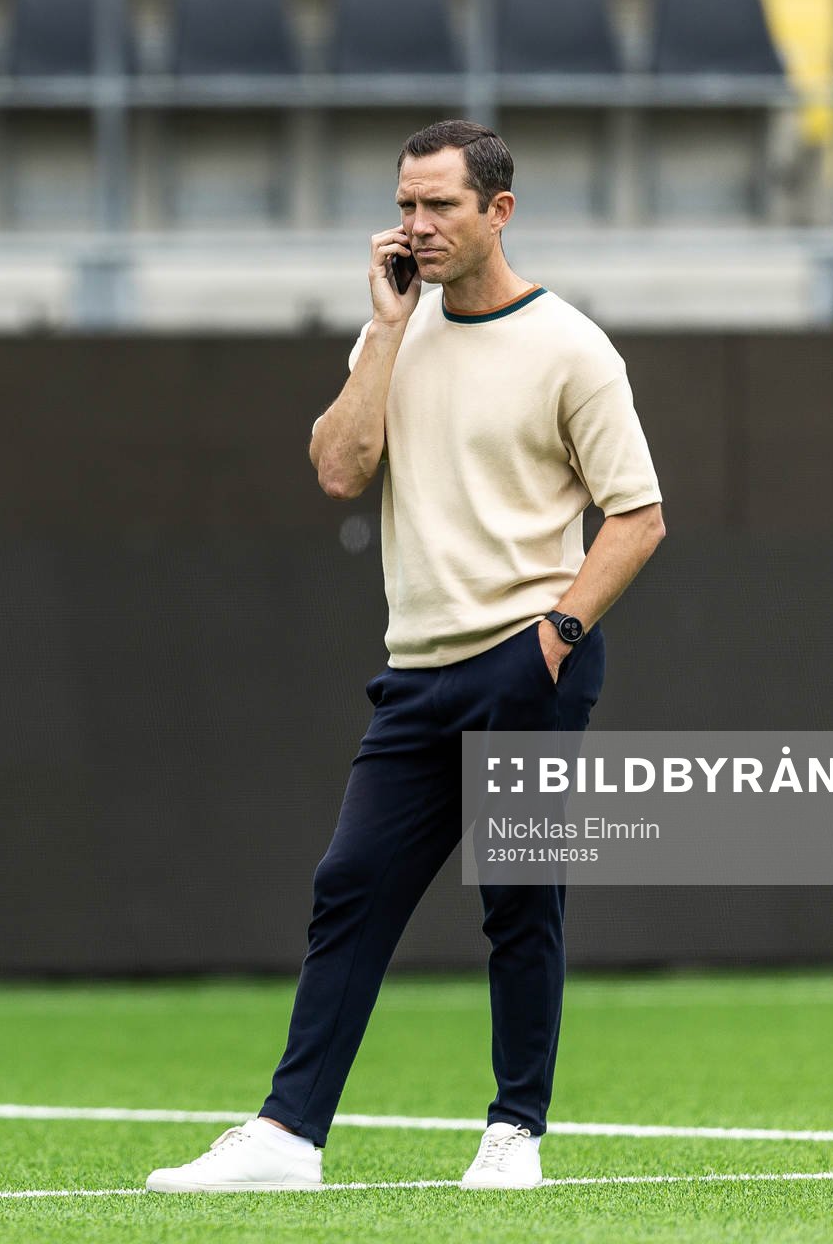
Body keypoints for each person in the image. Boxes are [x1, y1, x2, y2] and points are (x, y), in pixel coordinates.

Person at [147, 120, 666, 1193]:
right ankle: (289, 1136)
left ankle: (515, 1132)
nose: (416, 226)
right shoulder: (396, 329)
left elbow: (639, 516)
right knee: (350, 883)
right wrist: (385, 330)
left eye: (440, 206)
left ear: (498, 212)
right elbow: (340, 469)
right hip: (417, 673)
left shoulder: (573, 348)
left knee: (518, 900)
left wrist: (556, 638)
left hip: (529, 662)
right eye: (405, 205)